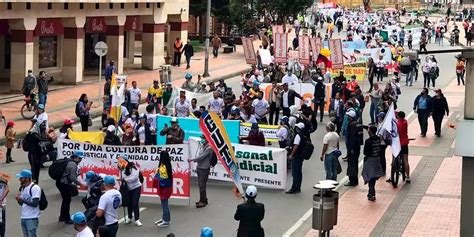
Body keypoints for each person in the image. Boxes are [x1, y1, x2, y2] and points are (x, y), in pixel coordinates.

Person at [57, 151, 86, 224]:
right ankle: (66, 218)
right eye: (80, 158)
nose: (80, 160)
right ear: (76, 157)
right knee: (67, 200)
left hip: (60, 182)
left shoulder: (68, 161)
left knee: (65, 200)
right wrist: (80, 184)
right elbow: (72, 177)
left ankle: (62, 216)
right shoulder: (73, 165)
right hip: (64, 184)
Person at [188, 135, 213, 208]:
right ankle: (203, 199)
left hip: (204, 168)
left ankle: (202, 201)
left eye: (203, 138)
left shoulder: (209, 148)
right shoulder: (203, 146)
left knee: (202, 185)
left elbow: (201, 157)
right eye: (201, 138)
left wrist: (192, 160)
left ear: (207, 139)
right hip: (200, 167)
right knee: (201, 185)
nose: (202, 139)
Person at [16, 169, 41, 237]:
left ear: (27, 178)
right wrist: (19, 200)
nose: (20, 179)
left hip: (32, 218)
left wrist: (22, 200)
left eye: (22, 178)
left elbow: (35, 204)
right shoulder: (23, 188)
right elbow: (23, 204)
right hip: (24, 216)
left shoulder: (35, 188)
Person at [362, 125, 384, 201]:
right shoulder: (378, 139)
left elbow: (365, 152)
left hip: (370, 160)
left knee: (370, 177)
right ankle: (371, 192)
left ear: (370, 131)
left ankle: (372, 193)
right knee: (373, 177)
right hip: (377, 159)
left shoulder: (368, 141)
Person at [119, 158, 143, 227]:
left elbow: (134, 178)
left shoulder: (134, 168)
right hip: (127, 188)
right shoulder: (122, 169)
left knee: (135, 203)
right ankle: (129, 217)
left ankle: (137, 219)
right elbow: (121, 177)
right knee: (129, 203)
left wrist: (125, 180)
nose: (122, 164)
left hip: (136, 187)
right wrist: (121, 179)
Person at [286, 123, 307, 194]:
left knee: (295, 173)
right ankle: (298, 187)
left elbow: (296, 146)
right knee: (299, 172)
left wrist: (291, 155)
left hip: (297, 156)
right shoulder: (304, 135)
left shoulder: (298, 136)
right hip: (301, 156)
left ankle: (294, 188)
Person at [155, 151, 173, 227]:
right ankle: (164, 218)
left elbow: (163, 176)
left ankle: (166, 221)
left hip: (164, 187)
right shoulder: (164, 164)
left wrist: (157, 174)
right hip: (163, 186)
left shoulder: (165, 166)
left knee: (165, 204)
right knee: (163, 204)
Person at [345, 110, 361, 186]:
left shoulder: (352, 125)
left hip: (353, 148)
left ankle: (352, 181)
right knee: (355, 164)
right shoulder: (358, 124)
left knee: (352, 164)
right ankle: (355, 180)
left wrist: (351, 148)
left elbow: (352, 138)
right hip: (357, 148)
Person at [397, 111, 411, 183]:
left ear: (398, 117)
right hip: (405, 143)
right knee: (406, 160)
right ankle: (408, 176)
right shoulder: (405, 122)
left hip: (399, 143)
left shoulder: (397, 124)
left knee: (395, 157)